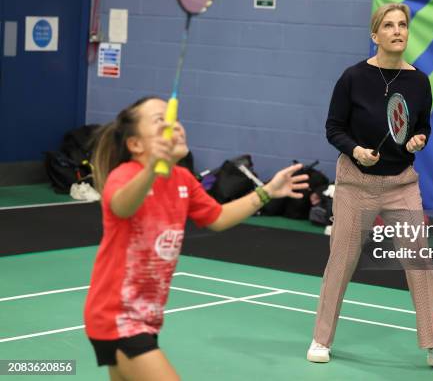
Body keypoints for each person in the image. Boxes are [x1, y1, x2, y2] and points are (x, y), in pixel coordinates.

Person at [83, 96, 308, 381]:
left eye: (174, 119)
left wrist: (267, 192)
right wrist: (153, 168)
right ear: (135, 145)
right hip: (116, 315)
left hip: (146, 318)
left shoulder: (182, 179)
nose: (173, 126)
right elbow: (122, 205)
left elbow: (217, 217)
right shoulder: (125, 175)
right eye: (159, 121)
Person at [307, 3, 433, 370]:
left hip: (401, 184)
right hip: (355, 183)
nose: (397, 31)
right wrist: (356, 151)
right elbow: (334, 128)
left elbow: (422, 126)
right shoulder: (352, 77)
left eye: (402, 25)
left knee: (420, 263)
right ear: (375, 35)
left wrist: (418, 141)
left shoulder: (419, 82)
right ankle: (321, 337)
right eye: (389, 25)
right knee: (341, 262)